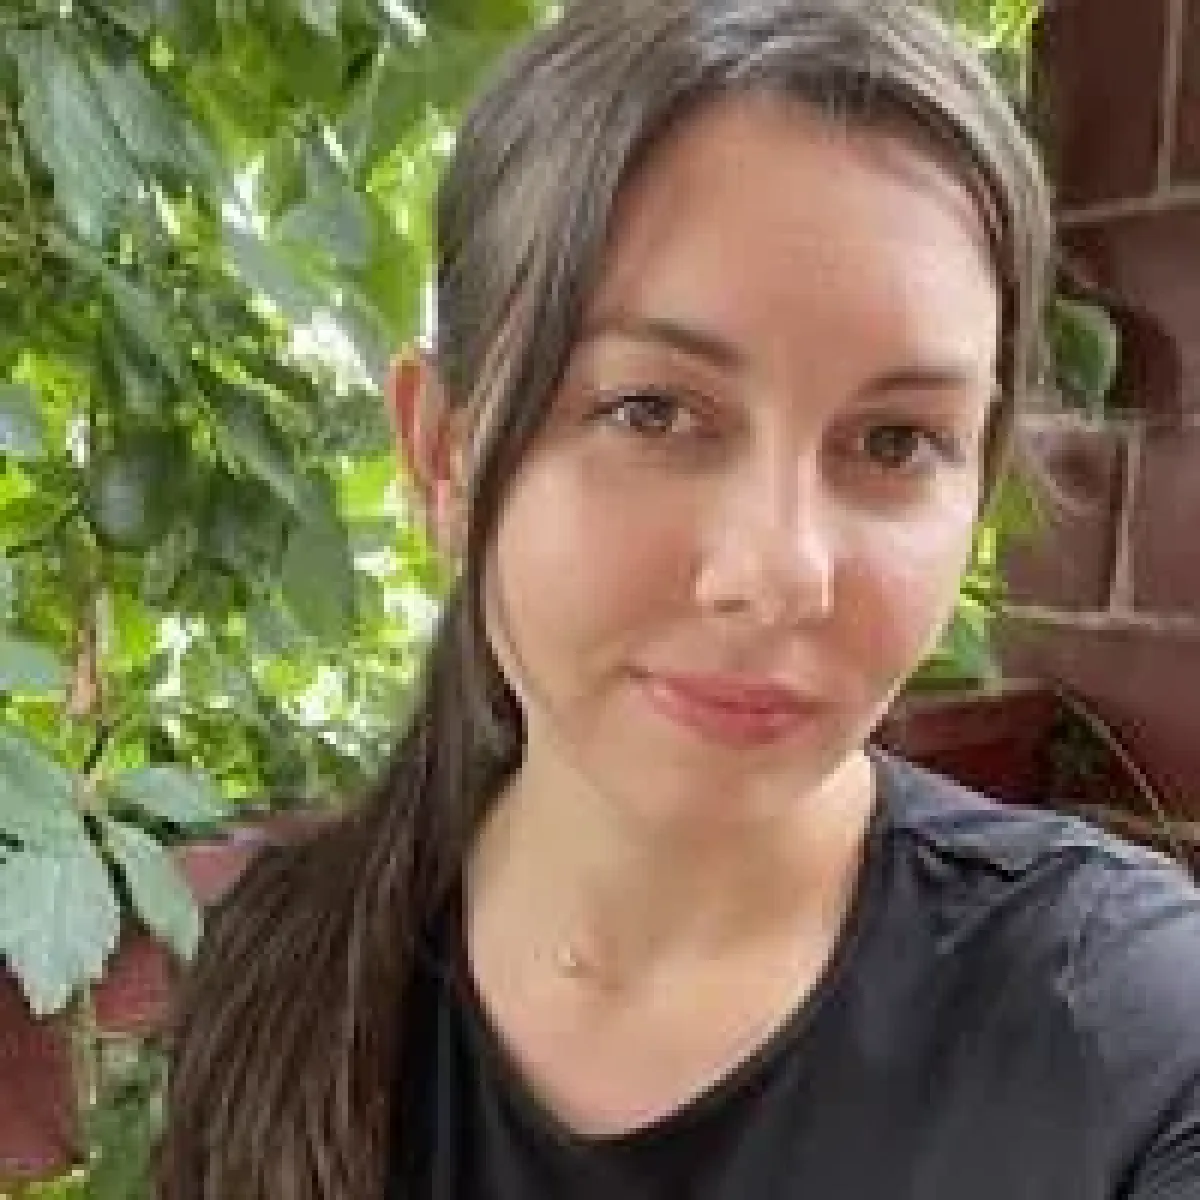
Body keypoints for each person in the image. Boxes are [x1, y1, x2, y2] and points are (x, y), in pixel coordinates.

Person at [157, 1, 1200, 1196]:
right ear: (443, 456)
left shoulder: (1127, 1032)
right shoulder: (286, 975)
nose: (779, 574)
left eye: (897, 441)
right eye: (651, 412)